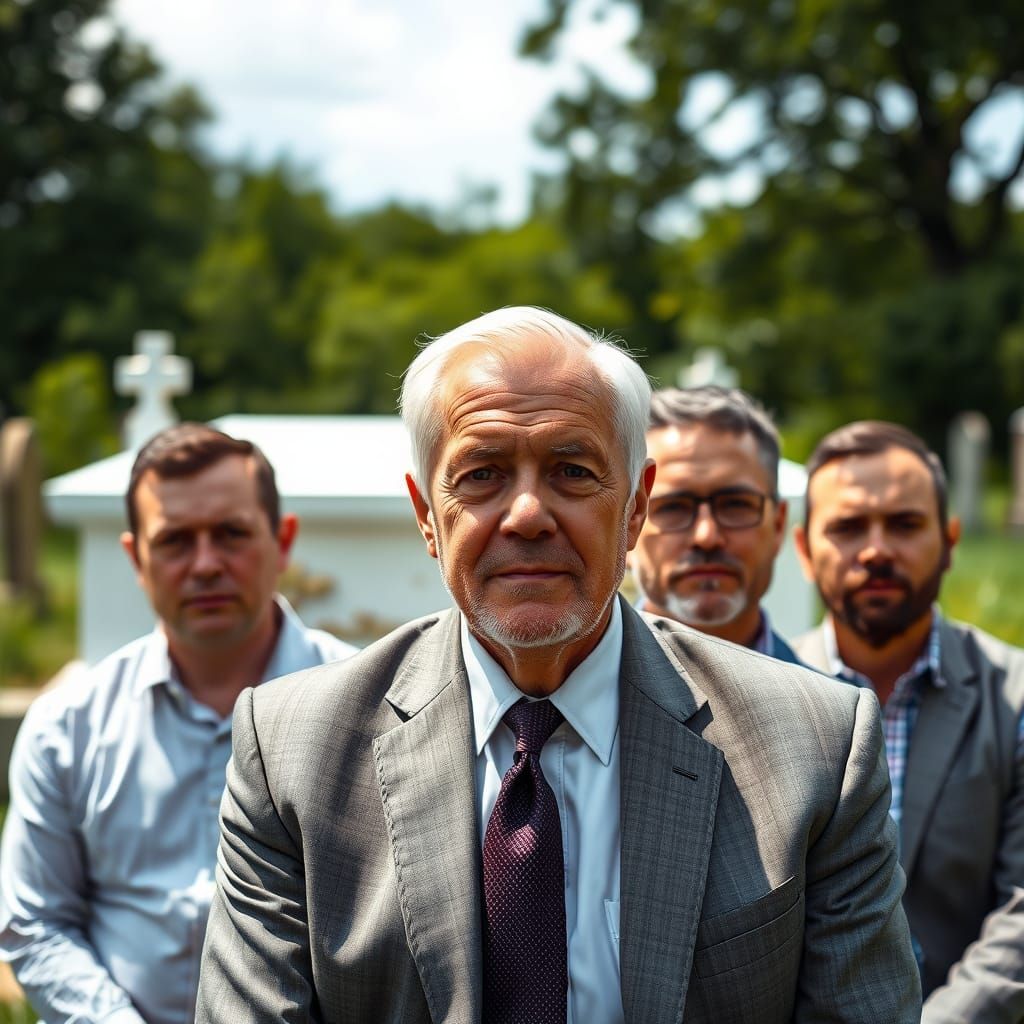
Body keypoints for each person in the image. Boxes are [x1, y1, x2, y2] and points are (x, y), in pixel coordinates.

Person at [196, 307, 920, 1023]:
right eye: (481, 474)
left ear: (635, 508)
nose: (527, 515)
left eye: (572, 471)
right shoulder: (294, 751)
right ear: (426, 515)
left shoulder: (814, 748)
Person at [0, 423, 357, 1024]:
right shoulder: (68, 727)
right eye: (175, 541)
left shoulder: (367, 712)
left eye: (231, 534)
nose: (206, 565)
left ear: (284, 539)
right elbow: (35, 921)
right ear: (135, 558)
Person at [793, 420, 1024, 1022]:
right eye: (846, 527)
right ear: (802, 549)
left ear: (949, 541)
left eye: (904, 524)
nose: (875, 550)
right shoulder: (759, 695)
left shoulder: (1016, 697)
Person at [629, 386, 800, 662]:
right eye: (673, 507)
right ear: (627, 524)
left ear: (778, 526)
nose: (706, 536)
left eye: (736, 505)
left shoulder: (837, 705)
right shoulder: (560, 701)